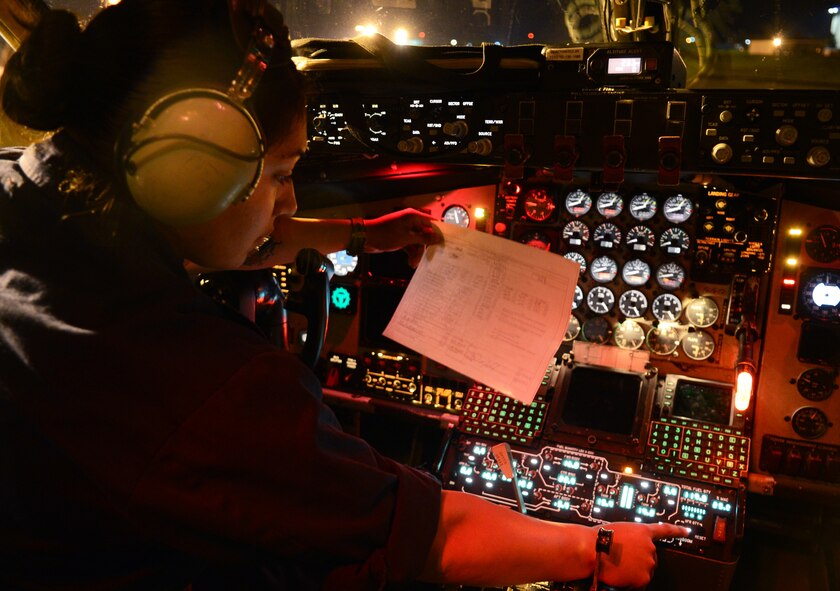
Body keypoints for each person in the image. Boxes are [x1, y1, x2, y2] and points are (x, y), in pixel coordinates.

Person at [0, 1, 687, 589]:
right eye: (280, 174)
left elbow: (208, 230)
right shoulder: (195, 384)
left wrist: (356, 234)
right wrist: (596, 543)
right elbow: (433, 535)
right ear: (190, 173)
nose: (290, 199)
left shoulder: (30, 203)